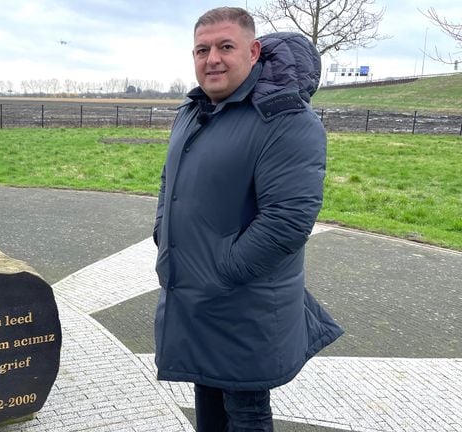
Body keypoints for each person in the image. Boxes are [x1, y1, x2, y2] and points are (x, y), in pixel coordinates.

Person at [153, 7, 344, 432]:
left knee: (245, 411)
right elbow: (170, 181)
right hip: (196, 297)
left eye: (225, 47)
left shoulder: (286, 119)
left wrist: (222, 272)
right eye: (202, 49)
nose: (212, 59)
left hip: (242, 302)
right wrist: (161, 231)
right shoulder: (195, 111)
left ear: (253, 51)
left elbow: (289, 219)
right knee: (207, 396)